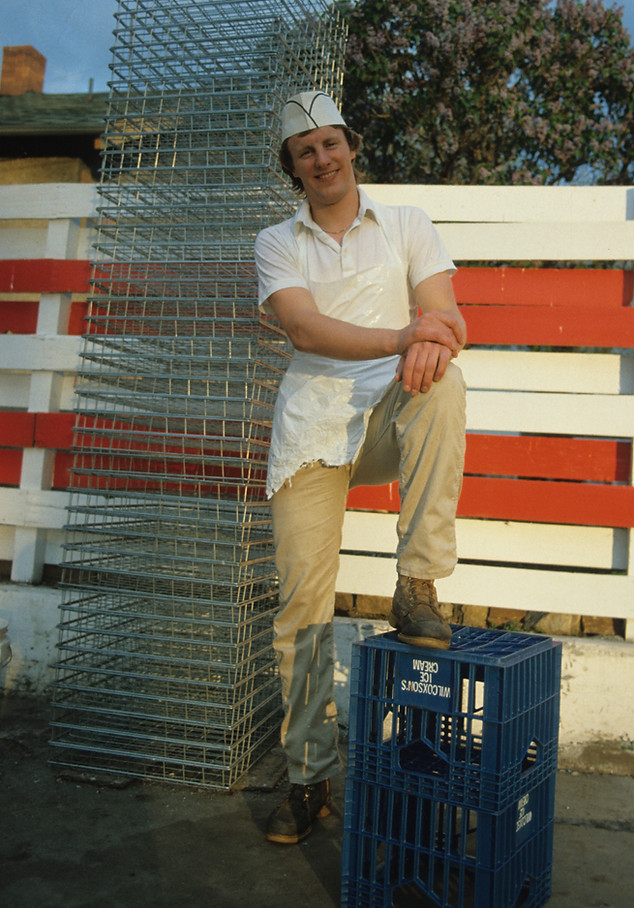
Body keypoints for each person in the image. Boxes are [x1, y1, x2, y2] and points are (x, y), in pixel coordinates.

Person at [254, 91, 467, 844]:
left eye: (331, 142)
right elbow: (304, 327)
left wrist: (435, 336)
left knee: (444, 377)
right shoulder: (277, 242)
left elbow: (448, 315)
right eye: (305, 150)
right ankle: (308, 779)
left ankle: (416, 584)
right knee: (301, 611)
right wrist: (408, 332)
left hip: (388, 414)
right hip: (311, 432)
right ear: (294, 168)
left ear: (351, 146)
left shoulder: (405, 224)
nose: (322, 158)